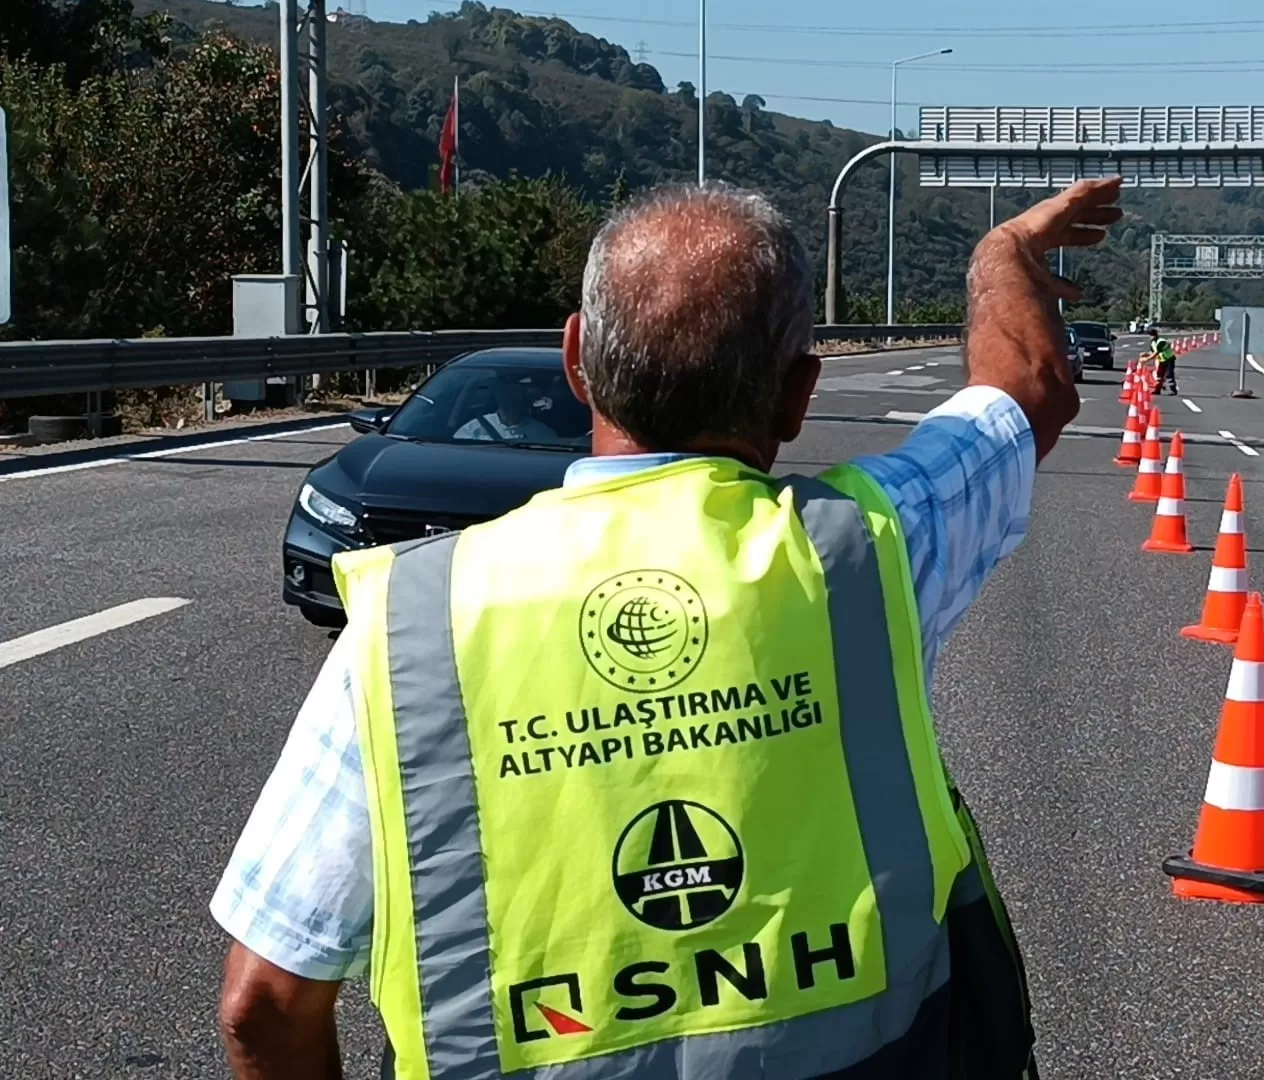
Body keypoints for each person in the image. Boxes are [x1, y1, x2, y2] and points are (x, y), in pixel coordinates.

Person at [211, 174, 1125, 1080]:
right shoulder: (870, 547)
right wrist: (1000, 253)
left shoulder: (411, 627)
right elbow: (1028, 388)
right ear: (799, 393)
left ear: (577, 361)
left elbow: (266, 1005)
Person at [452, 371, 560, 443]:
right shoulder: (472, 431)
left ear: (524, 397)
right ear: (497, 395)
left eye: (516, 393)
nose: (511, 398)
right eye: (506, 393)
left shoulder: (543, 434)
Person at [1146, 327, 1178, 395]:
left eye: (1150, 335)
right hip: (1162, 360)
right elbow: (1152, 352)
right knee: (1159, 375)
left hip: (1169, 359)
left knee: (1169, 375)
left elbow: (1156, 353)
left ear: (1154, 335)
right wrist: (1144, 354)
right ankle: (1157, 390)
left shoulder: (1161, 341)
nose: (1149, 337)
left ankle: (1173, 390)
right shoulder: (1153, 343)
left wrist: (1147, 359)